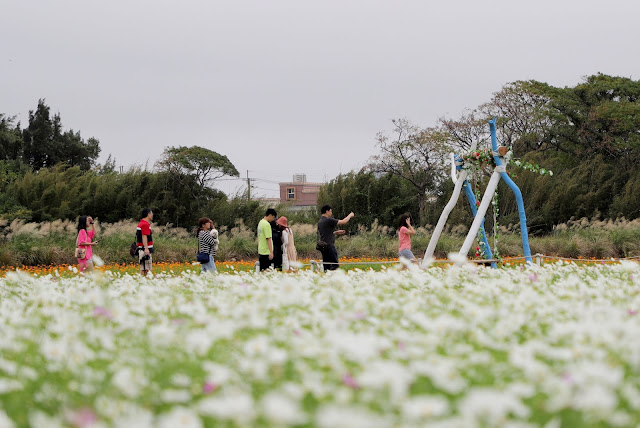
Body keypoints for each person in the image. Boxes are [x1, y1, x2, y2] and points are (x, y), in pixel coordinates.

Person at [317, 205, 354, 271]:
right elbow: (343, 222)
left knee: (326, 267)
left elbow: (325, 234)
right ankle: (334, 279)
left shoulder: (320, 221)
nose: (331, 213)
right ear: (327, 211)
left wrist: (335, 232)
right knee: (335, 266)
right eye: (330, 211)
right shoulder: (328, 220)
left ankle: (327, 279)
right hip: (330, 247)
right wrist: (350, 215)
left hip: (323, 247)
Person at [136, 208, 154, 276]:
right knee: (147, 269)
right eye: (151, 213)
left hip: (141, 249)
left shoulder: (141, 223)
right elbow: (144, 236)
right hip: (144, 249)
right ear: (148, 214)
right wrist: (146, 249)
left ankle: (141, 282)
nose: (152, 215)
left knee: (144, 269)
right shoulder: (145, 224)